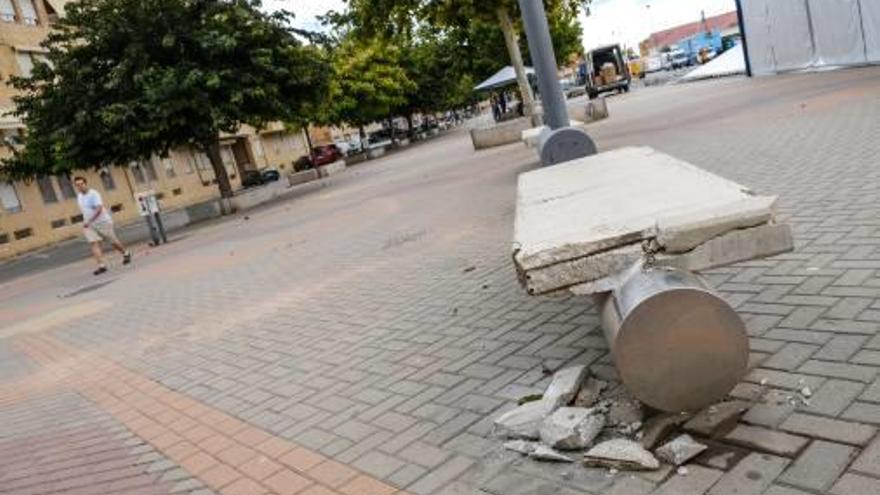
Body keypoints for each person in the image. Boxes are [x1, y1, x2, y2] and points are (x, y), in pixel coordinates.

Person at [74, 176, 131, 275]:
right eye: (77, 185)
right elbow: (85, 210)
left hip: (102, 222)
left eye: (81, 184)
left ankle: (125, 253)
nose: (80, 186)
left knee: (113, 242)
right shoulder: (79, 196)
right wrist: (86, 222)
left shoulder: (93, 194)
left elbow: (99, 209)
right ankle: (102, 266)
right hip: (89, 225)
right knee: (94, 243)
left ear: (85, 184)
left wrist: (90, 220)